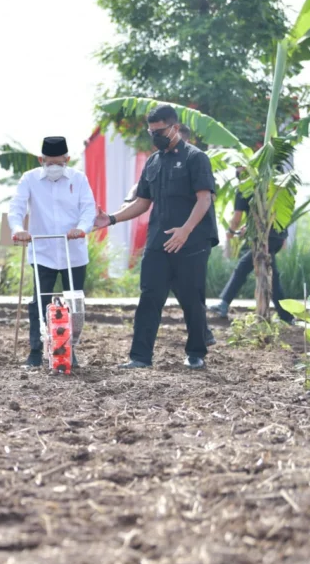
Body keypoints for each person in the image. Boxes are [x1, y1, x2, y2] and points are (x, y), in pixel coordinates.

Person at [94, 104, 219, 370]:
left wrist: (185, 231)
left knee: (191, 299)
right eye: (151, 131)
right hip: (158, 242)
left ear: (174, 128)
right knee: (149, 296)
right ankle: (140, 357)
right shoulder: (153, 161)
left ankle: (196, 353)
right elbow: (142, 202)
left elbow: (204, 199)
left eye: (159, 131)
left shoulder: (196, 158)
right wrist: (113, 218)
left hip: (192, 242)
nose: (155, 136)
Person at [9, 136, 96, 368]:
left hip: (73, 252)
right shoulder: (29, 180)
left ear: (67, 159)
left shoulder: (78, 179)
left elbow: (88, 208)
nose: (54, 167)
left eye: (59, 162)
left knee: (73, 303)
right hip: (42, 250)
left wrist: (82, 228)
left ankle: (70, 350)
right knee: (40, 301)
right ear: (41, 160)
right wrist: (19, 230)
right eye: (50, 163)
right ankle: (36, 351)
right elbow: (16, 208)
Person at [209, 171, 294, 323]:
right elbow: (265, 214)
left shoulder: (244, 188)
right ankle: (286, 316)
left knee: (243, 267)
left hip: (264, 238)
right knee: (270, 274)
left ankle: (224, 303)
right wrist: (248, 227)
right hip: (277, 235)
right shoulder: (267, 184)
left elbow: (236, 218)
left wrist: (230, 232)